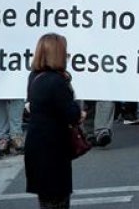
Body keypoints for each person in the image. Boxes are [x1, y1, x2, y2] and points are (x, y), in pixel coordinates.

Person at [25, 34, 83, 209]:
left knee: (46, 200)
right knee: (58, 200)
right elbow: (71, 113)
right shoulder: (57, 82)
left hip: (37, 145)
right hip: (54, 149)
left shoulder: (34, 76)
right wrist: (80, 113)